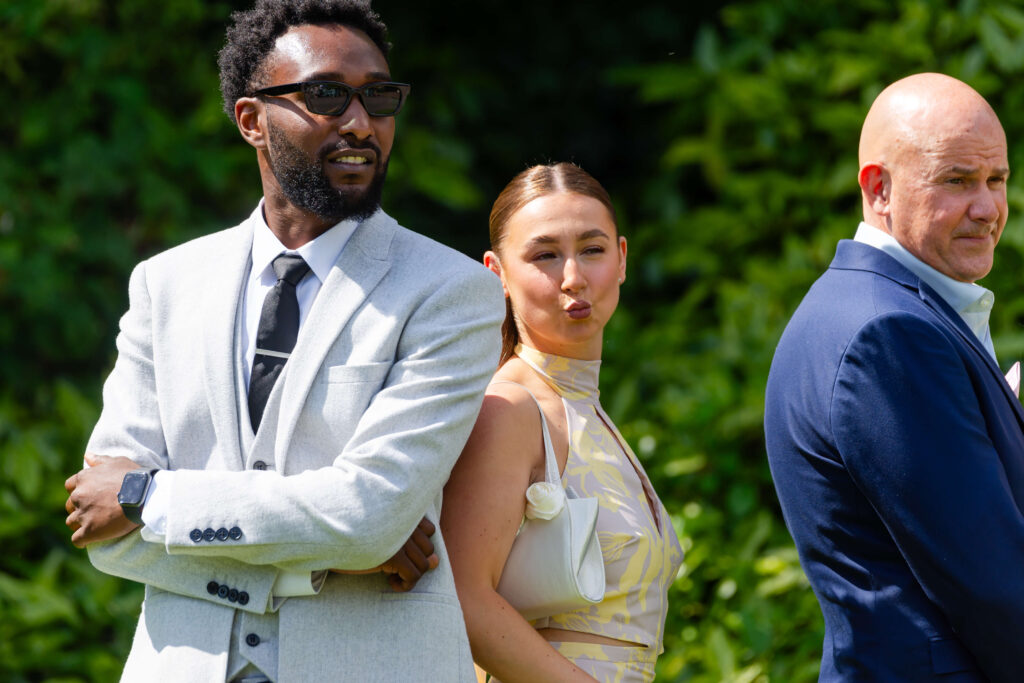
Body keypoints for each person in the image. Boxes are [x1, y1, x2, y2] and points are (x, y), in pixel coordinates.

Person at [61, 1, 503, 681]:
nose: (361, 123)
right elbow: (105, 536)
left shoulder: (452, 290)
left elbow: (369, 516)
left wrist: (149, 498)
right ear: (251, 120)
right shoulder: (164, 282)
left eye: (379, 97)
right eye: (327, 95)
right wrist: (314, 561)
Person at [764, 72, 1024, 682]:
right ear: (879, 189)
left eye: (997, 180)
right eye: (957, 181)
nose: (987, 208)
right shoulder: (888, 333)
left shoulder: (865, 308)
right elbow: (991, 585)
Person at [440, 163, 683, 683]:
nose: (573, 277)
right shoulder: (507, 409)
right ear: (495, 274)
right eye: (545, 255)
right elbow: (463, 599)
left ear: (621, 259)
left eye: (592, 250)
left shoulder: (586, 409)